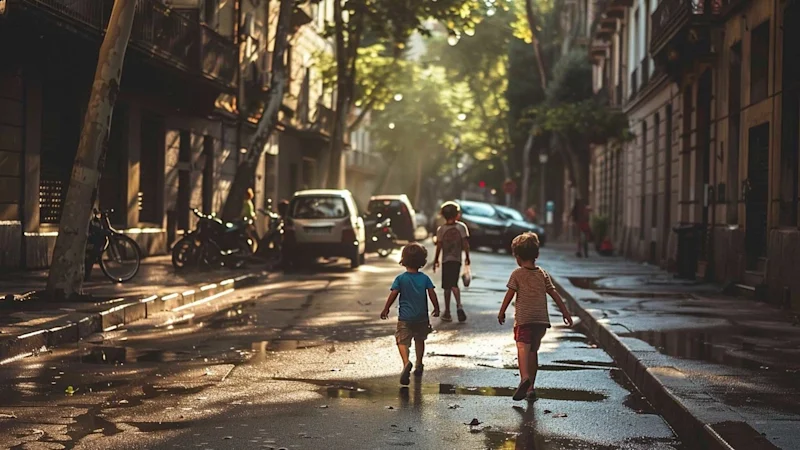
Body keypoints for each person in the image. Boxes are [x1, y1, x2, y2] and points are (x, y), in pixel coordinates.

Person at [498, 232, 573, 401]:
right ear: (536, 255)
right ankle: (531, 388)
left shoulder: (517, 274)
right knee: (533, 351)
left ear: (517, 256)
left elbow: (509, 294)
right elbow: (554, 294)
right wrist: (565, 312)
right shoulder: (542, 274)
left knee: (522, 347)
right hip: (541, 321)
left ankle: (524, 378)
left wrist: (502, 311)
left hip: (524, 320)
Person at [380, 243, 440, 385]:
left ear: (403, 259)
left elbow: (393, 294)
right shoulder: (425, 278)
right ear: (422, 261)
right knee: (420, 340)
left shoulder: (401, 279)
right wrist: (436, 308)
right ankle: (419, 363)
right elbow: (432, 293)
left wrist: (386, 308)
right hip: (421, 317)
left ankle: (406, 362)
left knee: (402, 341)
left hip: (405, 318)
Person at [433, 201, 471, 323]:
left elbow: (439, 246)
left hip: (445, 260)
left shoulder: (441, 229)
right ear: (457, 215)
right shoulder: (461, 227)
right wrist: (467, 257)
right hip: (456, 260)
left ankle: (448, 311)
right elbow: (465, 243)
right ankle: (459, 306)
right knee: (454, 283)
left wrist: (436, 260)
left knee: (447, 286)